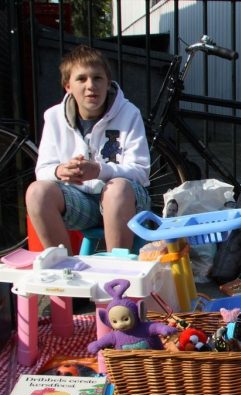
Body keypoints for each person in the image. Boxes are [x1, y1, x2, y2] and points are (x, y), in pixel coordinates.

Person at [27, 44, 151, 254]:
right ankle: (63, 270)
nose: (91, 85)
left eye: (98, 78)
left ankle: (117, 273)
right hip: (81, 203)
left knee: (117, 189)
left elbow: (141, 172)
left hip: (126, 200)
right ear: (68, 86)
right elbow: (43, 170)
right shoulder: (54, 116)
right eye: (81, 79)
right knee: (37, 192)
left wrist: (100, 170)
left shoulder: (129, 113)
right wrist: (60, 171)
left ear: (108, 82)